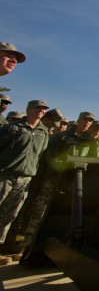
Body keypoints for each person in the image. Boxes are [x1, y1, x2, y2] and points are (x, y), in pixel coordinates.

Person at [0, 100, 49, 264]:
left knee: (9, 214)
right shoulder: (12, 128)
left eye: (43, 110)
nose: (40, 112)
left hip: (25, 178)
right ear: (28, 109)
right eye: (37, 108)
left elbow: (40, 155)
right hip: (5, 175)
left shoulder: (44, 132)